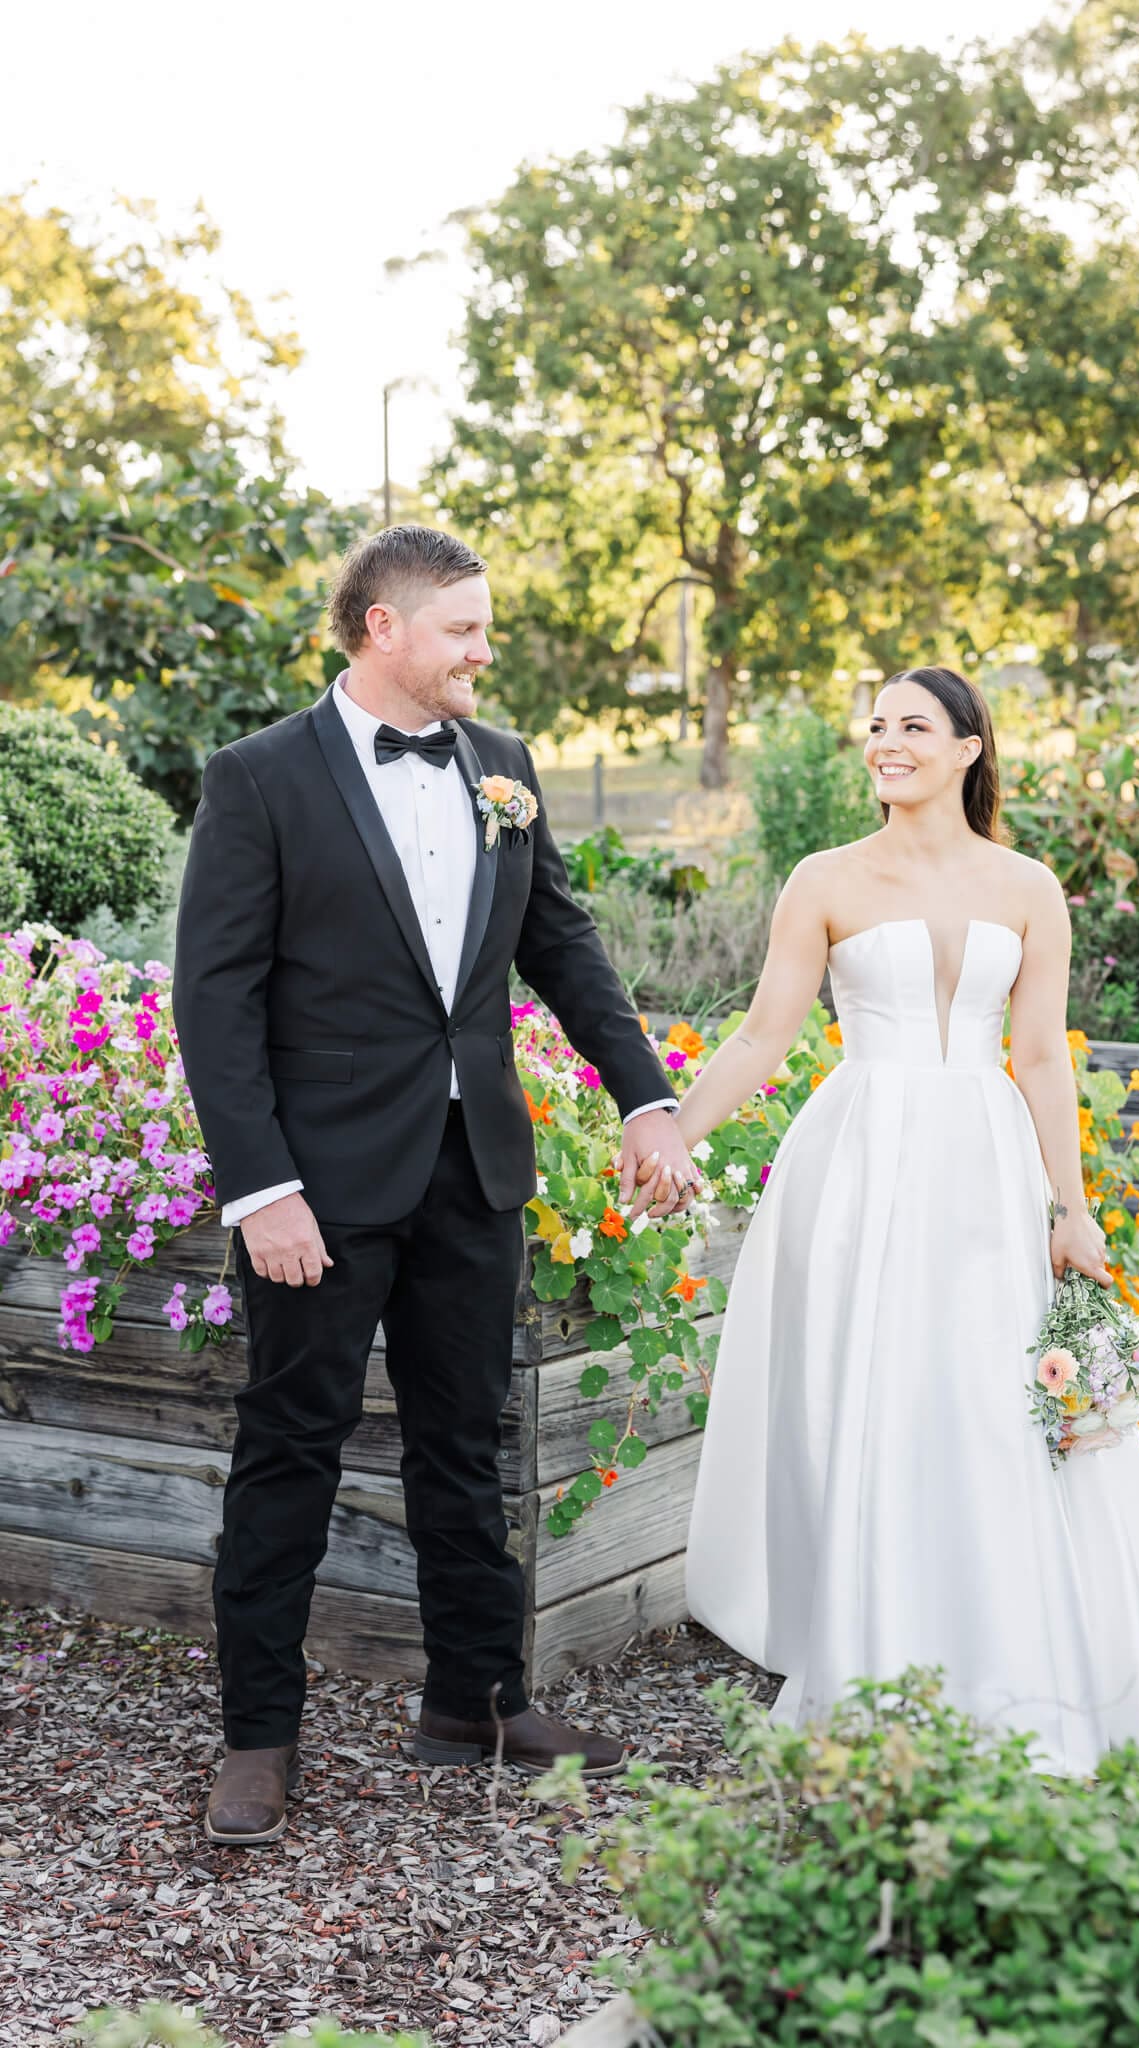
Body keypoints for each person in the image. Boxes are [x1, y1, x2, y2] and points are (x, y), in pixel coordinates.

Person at [680, 666, 1139, 1805]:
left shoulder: (1027, 884)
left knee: (989, 1388)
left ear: (967, 747)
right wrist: (675, 1135)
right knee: (874, 1379)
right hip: (858, 1152)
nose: (886, 743)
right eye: (877, 726)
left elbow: (1042, 1054)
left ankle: (997, 1614)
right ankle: (871, 1620)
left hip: (983, 1159)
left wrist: (1072, 1204)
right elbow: (762, 1033)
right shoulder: (827, 877)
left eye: (913, 726)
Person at [174, 525, 698, 1845]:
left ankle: (476, 1702)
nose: (483, 649)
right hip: (320, 1187)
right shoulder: (258, 780)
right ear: (382, 630)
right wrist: (260, 1189)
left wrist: (647, 1095)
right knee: (288, 1450)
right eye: (463, 628)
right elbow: (214, 1003)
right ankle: (259, 1735)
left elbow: (563, 950)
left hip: (475, 1172)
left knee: (465, 1446)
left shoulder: (504, 771)